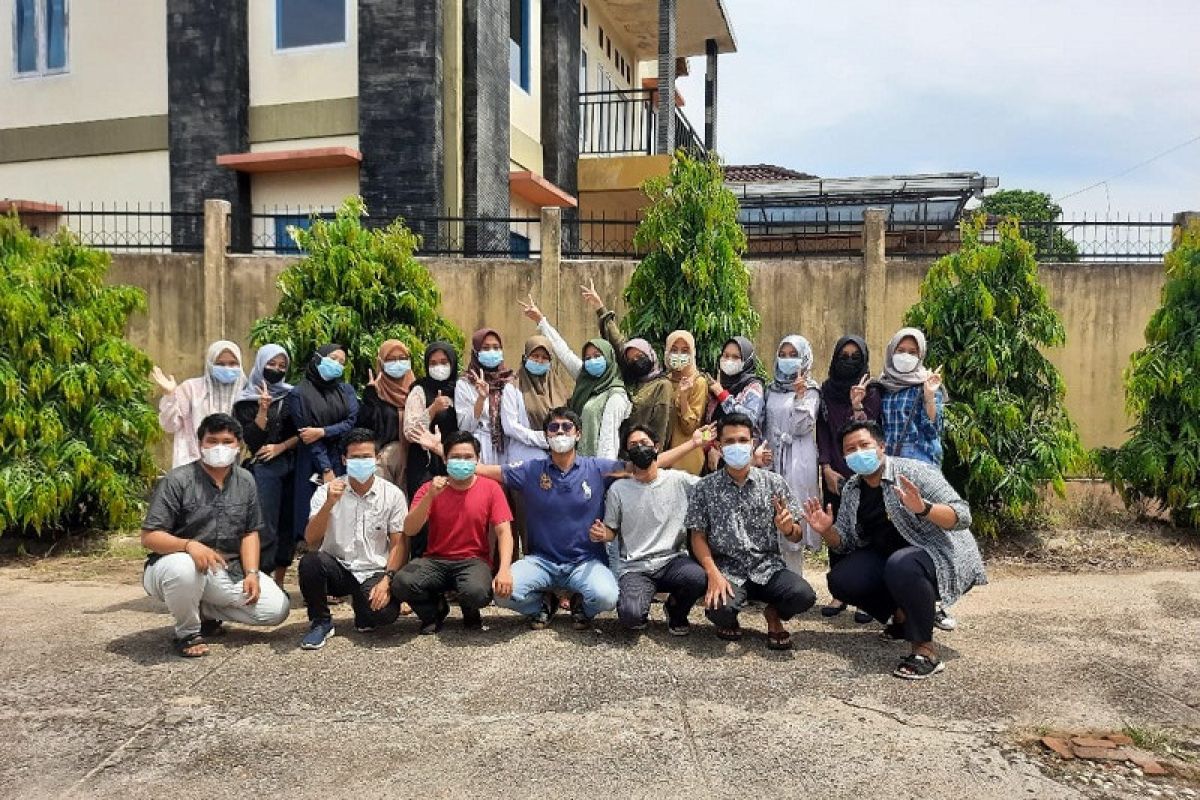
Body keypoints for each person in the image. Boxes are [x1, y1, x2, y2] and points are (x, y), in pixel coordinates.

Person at [453, 406, 705, 630]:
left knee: (607, 598)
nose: (560, 432)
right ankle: (543, 604)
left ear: (578, 434)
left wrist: (692, 444)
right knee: (501, 593)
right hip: (542, 561)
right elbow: (488, 470)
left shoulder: (597, 468)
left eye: (567, 427)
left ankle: (581, 606)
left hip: (585, 562)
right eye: (554, 428)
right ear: (546, 436)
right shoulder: (531, 470)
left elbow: (647, 465)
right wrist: (448, 460)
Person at [801, 420, 987, 679]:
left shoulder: (914, 472)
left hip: (936, 552)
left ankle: (925, 651)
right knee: (842, 579)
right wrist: (826, 530)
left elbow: (963, 515)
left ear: (881, 446)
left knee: (902, 565)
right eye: (850, 449)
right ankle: (901, 617)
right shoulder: (853, 488)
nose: (858, 453)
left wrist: (924, 508)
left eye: (864, 445)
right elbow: (844, 543)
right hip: (889, 557)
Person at [140, 413, 290, 658]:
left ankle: (203, 611)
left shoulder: (246, 480)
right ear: (200, 444)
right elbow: (149, 536)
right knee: (184, 569)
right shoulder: (178, 480)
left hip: (226, 570)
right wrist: (189, 546)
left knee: (276, 609)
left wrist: (252, 573)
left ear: (238, 446)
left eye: (227, 441)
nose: (220, 447)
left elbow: (250, 532)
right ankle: (187, 632)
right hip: (176, 566)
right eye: (212, 441)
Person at [685, 413, 817, 650]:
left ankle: (773, 614)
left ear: (752, 443)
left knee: (803, 596)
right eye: (730, 441)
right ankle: (731, 618)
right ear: (719, 446)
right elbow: (698, 536)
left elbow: (796, 534)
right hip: (728, 570)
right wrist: (713, 574)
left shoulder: (774, 483)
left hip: (767, 567)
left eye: (743, 440)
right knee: (718, 609)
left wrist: (788, 529)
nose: (737, 446)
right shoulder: (704, 487)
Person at [392, 431, 515, 634]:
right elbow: (410, 529)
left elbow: (504, 532)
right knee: (402, 582)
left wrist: (504, 569)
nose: (462, 462)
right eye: (456, 457)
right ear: (445, 459)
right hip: (435, 559)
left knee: (477, 592)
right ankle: (434, 611)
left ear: (477, 460)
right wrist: (430, 497)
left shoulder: (491, 488)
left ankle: (470, 608)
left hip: (473, 560)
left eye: (468, 457)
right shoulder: (430, 488)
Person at [297, 428, 408, 649]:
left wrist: (387, 580)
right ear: (344, 460)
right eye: (355, 457)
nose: (361, 462)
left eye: (366, 457)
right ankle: (321, 622)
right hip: (338, 569)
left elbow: (399, 544)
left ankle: (362, 607)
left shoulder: (392, 494)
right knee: (310, 562)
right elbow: (311, 539)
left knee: (384, 616)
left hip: (373, 571)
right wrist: (329, 504)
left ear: (377, 458)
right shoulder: (326, 491)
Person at [595, 425, 707, 635]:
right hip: (635, 566)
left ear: (656, 447)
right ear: (627, 453)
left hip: (672, 560)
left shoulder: (678, 480)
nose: (639, 448)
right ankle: (639, 606)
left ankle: (676, 610)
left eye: (644, 443)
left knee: (697, 578)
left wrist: (751, 463)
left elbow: (711, 487)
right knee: (631, 617)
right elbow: (611, 530)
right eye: (633, 445)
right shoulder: (618, 490)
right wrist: (602, 534)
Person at [816, 335, 882, 620]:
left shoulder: (872, 391)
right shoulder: (826, 390)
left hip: (864, 471)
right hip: (835, 473)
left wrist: (857, 405)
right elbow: (822, 430)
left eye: (856, 357)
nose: (849, 361)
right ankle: (840, 592)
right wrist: (825, 467)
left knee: (866, 532)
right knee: (836, 529)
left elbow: (871, 431)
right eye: (844, 356)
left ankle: (866, 597)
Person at [519, 295, 631, 460]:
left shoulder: (616, 395)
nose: (592, 361)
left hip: (596, 464)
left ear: (609, 358)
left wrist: (603, 469)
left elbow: (609, 439)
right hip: (574, 461)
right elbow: (564, 352)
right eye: (588, 357)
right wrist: (541, 320)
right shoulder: (585, 377)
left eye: (597, 356)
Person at [285, 344, 360, 579]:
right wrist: (325, 467)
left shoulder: (346, 390)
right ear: (318, 358)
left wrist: (323, 431)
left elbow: (351, 422)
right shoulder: (298, 394)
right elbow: (307, 436)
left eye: (342, 361)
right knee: (315, 516)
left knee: (343, 516)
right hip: (313, 462)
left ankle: (339, 576)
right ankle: (315, 576)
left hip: (343, 458)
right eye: (333, 358)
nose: (337, 364)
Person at [232, 344, 298, 583]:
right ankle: (260, 577)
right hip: (264, 470)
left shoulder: (292, 396)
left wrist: (281, 447)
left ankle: (279, 580)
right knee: (265, 524)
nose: (276, 369)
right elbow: (252, 441)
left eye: (282, 366)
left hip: (291, 465)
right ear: (260, 364)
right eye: (271, 364)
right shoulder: (244, 401)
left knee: (288, 523)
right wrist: (262, 410)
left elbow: (302, 431)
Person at [581, 280, 674, 449]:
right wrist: (600, 307)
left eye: (640, 356)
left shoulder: (661, 385)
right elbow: (617, 343)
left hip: (644, 453)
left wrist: (654, 455)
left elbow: (661, 427)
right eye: (631, 359)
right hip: (621, 450)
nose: (636, 361)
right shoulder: (629, 379)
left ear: (650, 355)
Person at [763, 335, 822, 575]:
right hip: (771, 455)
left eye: (794, 355)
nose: (787, 360)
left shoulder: (811, 390)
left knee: (792, 512)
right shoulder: (770, 389)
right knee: (769, 512)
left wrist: (799, 397)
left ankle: (794, 578)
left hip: (797, 457)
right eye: (783, 355)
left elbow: (801, 427)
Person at [152, 340, 247, 468]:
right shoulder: (191, 390)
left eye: (232, 363)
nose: (227, 368)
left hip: (231, 468)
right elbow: (169, 425)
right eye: (220, 364)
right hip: (191, 465)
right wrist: (170, 396)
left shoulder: (246, 392)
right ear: (210, 364)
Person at [878, 327, 945, 467]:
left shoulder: (926, 384)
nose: (905, 356)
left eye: (912, 352)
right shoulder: (883, 385)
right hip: (888, 463)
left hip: (919, 462)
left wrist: (929, 396)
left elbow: (933, 430)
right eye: (900, 350)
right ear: (891, 352)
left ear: (920, 356)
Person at [402, 341, 459, 502]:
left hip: (455, 462)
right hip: (425, 463)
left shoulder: (460, 389)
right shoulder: (419, 390)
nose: (438, 367)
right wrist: (433, 409)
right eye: (433, 363)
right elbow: (410, 431)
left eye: (444, 362)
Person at [456, 328, 520, 465]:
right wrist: (481, 399)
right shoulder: (465, 383)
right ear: (475, 352)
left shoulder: (511, 381)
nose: (491, 352)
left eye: (496, 348)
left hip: (508, 446)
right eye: (485, 348)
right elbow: (464, 427)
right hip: (480, 446)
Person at [359, 339, 416, 490]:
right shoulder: (376, 392)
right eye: (391, 359)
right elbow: (365, 426)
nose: (398, 363)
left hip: (414, 459)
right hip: (384, 461)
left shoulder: (416, 389)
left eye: (402, 358)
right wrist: (370, 398)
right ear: (381, 363)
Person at [503, 335, 569, 462]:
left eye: (544, 357)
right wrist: (542, 438)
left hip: (557, 458)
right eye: (535, 356)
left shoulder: (558, 388)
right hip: (525, 457)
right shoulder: (513, 388)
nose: (539, 360)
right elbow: (510, 426)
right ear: (525, 357)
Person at [664, 330, 709, 475]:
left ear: (692, 353)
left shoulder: (698, 382)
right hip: (663, 457)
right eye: (674, 350)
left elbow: (689, 427)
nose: (679, 355)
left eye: (684, 351)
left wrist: (683, 397)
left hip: (687, 459)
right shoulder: (664, 381)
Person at [706, 336, 766, 440]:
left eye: (735, 357)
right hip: (716, 448)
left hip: (741, 447)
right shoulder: (718, 384)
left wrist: (722, 395)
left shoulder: (753, 386)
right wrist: (707, 442)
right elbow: (709, 424)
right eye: (726, 355)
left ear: (747, 360)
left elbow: (749, 420)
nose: (729, 360)